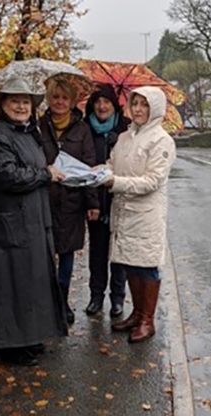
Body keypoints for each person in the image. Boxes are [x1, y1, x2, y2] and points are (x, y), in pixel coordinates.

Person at [0, 77, 67, 367]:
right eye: (15, 101)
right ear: (3, 104)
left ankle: (30, 339)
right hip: (6, 227)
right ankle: (11, 346)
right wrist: (45, 175)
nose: (22, 106)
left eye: (26, 101)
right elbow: (9, 176)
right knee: (9, 285)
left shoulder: (27, 133)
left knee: (31, 282)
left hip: (29, 224)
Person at [102, 87, 176, 343]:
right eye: (135, 104)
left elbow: (152, 181)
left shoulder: (161, 140)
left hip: (146, 214)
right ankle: (137, 313)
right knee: (130, 263)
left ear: (154, 108)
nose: (138, 110)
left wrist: (114, 183)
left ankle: (148, 320)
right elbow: (112, 164)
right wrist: (97, 172)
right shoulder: (124, 138)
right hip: (124, 211)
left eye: (144, 105)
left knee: (147, 266)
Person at [40, 78, 100, 325]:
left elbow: (89, 167)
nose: (60, 102)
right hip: (43, 199)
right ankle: (46, 304)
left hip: (71, 202)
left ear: (72, 101)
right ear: (48, 99)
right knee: (43, 254)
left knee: (66, 254)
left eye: (65, 98)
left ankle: (62, 303)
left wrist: (92, 203)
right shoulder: (38, 126)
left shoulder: (82, 129)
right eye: (55, 97)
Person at [83, 84, 131, 318]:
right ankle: (96, 296)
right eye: (98, 102)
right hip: (95, 202)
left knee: (118, 253)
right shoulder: (84, 131)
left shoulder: (126, 132)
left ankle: (118, 298)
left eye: (107, 102)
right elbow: (83, 168)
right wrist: (91, 202)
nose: (102, 106)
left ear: (115, 106)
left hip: (119, 200)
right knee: (98, 252)